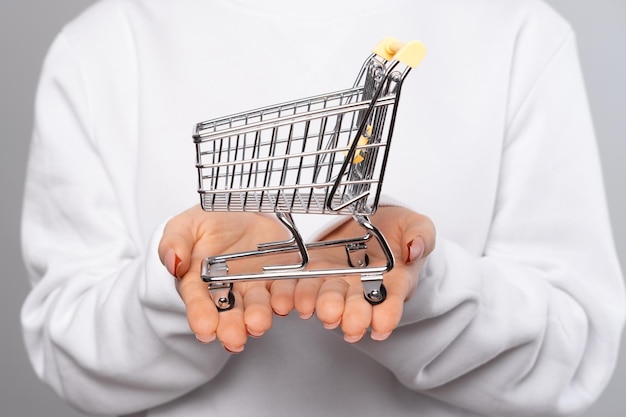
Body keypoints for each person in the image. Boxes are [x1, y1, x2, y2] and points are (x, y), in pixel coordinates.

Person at [20, 0, 625, 416]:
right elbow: (63, 347)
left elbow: (576, 351)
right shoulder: (102, 46)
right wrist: (180, 281)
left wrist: (425, 289)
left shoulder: (517, 30)